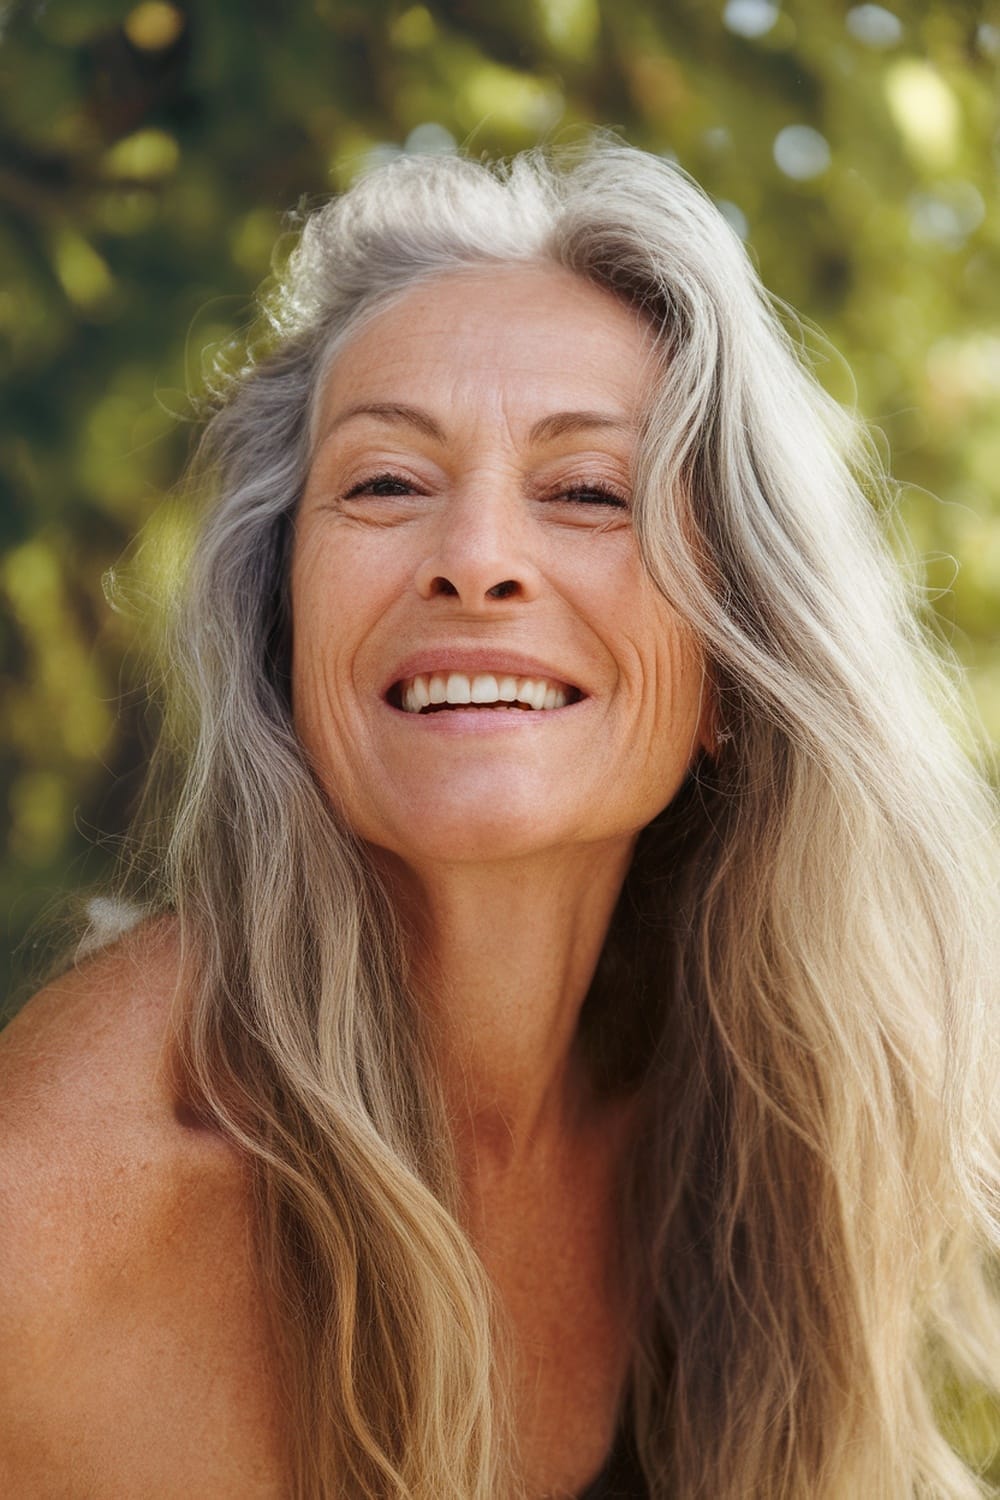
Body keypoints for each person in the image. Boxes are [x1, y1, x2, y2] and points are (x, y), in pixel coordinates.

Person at [1, 138, 998, 1500]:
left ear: (734, 674)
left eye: (590, 491)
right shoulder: (67, 1196)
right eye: (387, 484)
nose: (474, 559)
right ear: (285, 623)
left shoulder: (755, 1125)